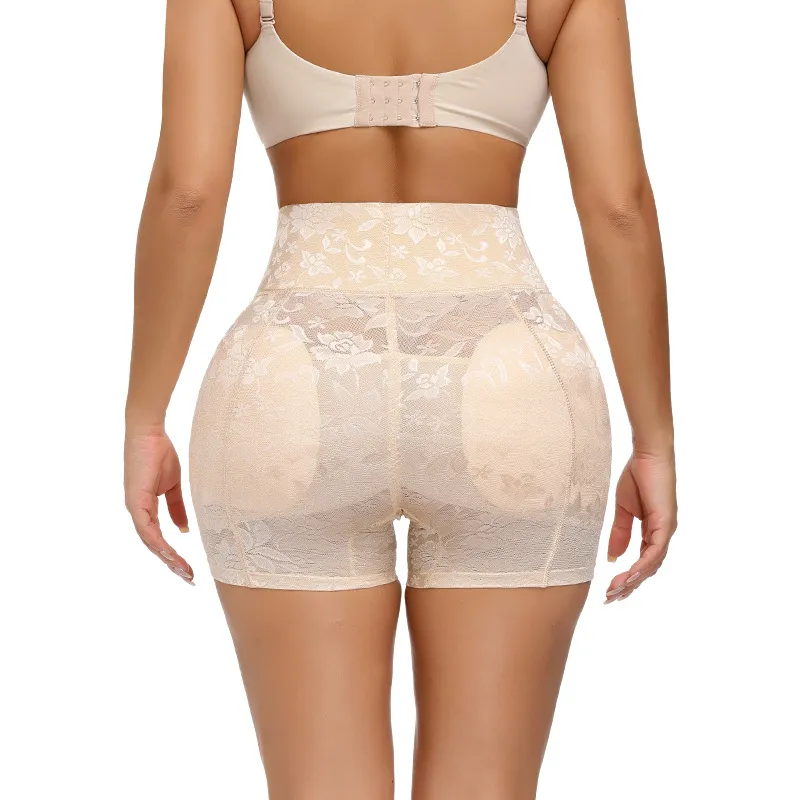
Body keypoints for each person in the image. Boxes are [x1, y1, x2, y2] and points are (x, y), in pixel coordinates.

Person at [124, 0, 678, 795]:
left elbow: (188, 193)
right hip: (510, 381)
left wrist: (145, 416)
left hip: (294, 380)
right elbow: (619, 207)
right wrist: (653, 437)